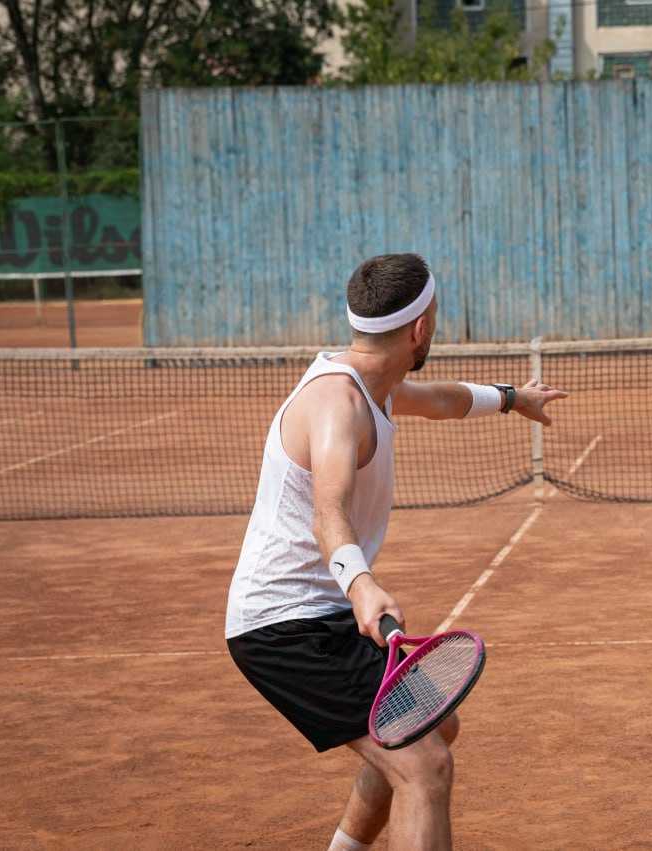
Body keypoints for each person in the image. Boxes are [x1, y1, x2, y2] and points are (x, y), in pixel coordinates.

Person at [224, 253, 566, 851]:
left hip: (319, 611)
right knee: (423, 765)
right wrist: (361, 585)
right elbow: (327, 511)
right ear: (421, 329)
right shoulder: (339, 405)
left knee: (435, 723)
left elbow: (441, 399)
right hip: (283, 624)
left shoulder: (374, 385)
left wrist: (512, 398)